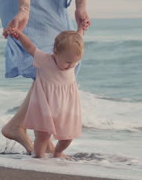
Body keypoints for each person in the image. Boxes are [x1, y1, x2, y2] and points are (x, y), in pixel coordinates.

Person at [0, 0, 102, 154]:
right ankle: (33, 133)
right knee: (47, 59)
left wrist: (81, 6)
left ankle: (18, 126)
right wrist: (24, 8)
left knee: (65, 59)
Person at [6, 25, 85, 158]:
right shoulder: (46, 60)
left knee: (68, 136)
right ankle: (38, 156)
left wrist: (81, 28)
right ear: (55, 52)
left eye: (75, 62)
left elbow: (79, 39)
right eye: (68, 62)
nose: (71, 65)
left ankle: (58, 152)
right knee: (42, 136)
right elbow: (30, 47)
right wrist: (18, 34)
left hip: (66, 107)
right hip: (45, 105)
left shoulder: (72, 60)